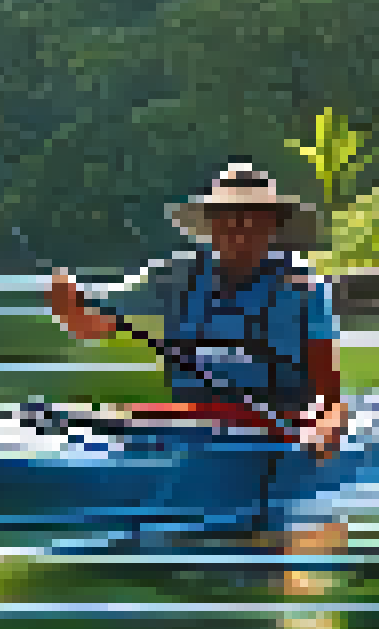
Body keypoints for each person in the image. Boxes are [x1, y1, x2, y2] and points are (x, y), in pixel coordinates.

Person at [46, 162, 348, 456]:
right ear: (210, 224)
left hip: (279, 429)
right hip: (193, 423)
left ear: (272, 224)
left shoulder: (304, 287)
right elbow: (90, 325)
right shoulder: (172, 276)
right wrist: (68, 306)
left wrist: (320, 430)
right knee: (115, 415)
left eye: (252, 216)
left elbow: (329, 397)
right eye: (227, 216)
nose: (238, 226)